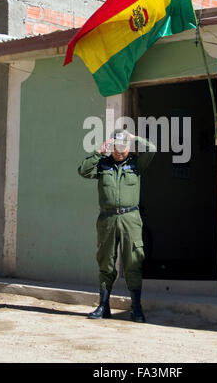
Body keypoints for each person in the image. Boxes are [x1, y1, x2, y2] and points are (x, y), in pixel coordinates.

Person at [78, 129, 156, 322]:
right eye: (117, 147)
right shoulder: (103, 164)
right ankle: (103, 306)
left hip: (130, 218)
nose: (120, 152)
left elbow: (152, 148)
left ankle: (136, 308)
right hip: (108, 220)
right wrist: (98, 151)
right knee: (106, 262)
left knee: (133, 262)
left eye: (123, 148)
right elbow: (83, 170)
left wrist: (133, 138)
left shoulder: (136, 164)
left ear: (128, 147)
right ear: (111, 147)